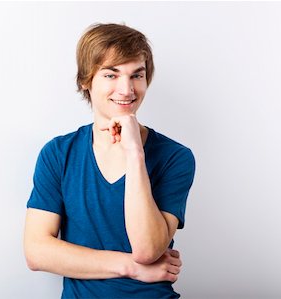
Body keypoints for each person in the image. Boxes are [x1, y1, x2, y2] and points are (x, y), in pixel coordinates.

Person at [24, 23, 196, 298]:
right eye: (111, 75)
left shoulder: (175, 157)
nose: (126, 89)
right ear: (86, 80)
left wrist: (135, 154)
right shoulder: (58, 153)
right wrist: (131, 267)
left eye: (136, 75)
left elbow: (148, 249)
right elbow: (37, 251)